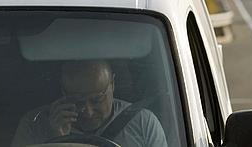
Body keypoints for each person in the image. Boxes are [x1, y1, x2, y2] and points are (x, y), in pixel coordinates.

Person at [12, 60, 168, 147]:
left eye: (97, 99)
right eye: (77, 101)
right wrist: (56, 141)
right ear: (63, 91)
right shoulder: (33, 125)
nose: (88, 111)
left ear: (112, 84)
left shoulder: (143, 123)